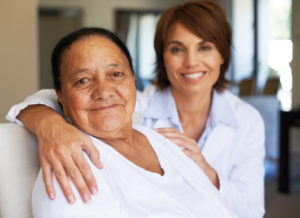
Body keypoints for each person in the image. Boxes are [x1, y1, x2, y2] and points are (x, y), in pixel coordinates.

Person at [7, 1, 265, 217]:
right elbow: (58, 99)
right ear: (162, 58)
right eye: (177, 49)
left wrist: (207, 172)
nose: (191, 61)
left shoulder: (246, 120)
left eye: (205, 47)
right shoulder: (135, 104)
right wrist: (50, 126)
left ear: (223, 54)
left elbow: (250, 211)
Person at [32, 26, 236, 218]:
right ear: (61, 97)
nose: (104, 91)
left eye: (116, 74)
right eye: (83, 80)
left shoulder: (162, 140)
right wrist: (47, 122)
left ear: (132, 81)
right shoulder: (70, 168)